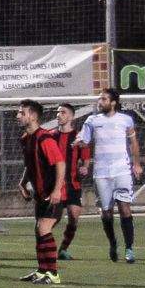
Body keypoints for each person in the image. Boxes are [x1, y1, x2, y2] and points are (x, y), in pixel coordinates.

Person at [78, 88, 143, 263]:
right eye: (100, 99)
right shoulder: (92, 120)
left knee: (124, 208)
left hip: (122, 170)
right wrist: (78, 143)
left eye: (104, 99)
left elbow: (133, 142)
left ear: (113, 102)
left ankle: (129, 249)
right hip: (101, 172)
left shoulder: (126, 120)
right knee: (106, 213)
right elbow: (85, 141)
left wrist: (136, 164)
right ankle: (113, 242)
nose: (100, 102)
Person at [15, 100, 68, 285]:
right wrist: (22, 183)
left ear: (33, 116)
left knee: (43, 227)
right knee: (39, 230)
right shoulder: (25, 138)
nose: (18, 116)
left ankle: (53, 273)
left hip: (53, 193)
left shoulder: (44, 138)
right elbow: (30, 165)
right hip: (40, 194)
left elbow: (60, 164)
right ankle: (42, 270)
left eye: (21, 112)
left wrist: (56, 190)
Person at [52, 102, 89, 259]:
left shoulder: (79, 137)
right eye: (58, 112)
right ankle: (42, 242)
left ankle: (63, 249)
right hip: (55, 185)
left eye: (63, 112)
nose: (59, 115)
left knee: (74, 217)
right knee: (54, 218)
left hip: (73, 183)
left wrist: (84, 168)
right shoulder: (51, 136)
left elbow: (86, 159)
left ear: (72, 116)